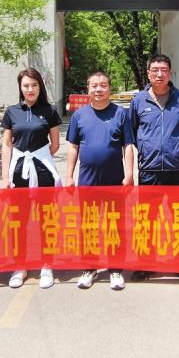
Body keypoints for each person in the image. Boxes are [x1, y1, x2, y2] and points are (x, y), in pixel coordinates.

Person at [128, 53, 179, 286]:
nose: (159, 74)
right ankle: (145, 265)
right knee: (146, 221)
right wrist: (147, 149)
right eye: (155, 70)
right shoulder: (138, 101)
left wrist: (174, 148)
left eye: (163, 70)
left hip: (177, 170)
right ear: (148, 73)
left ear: (170, 73)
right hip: (149, 171)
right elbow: (134, 132)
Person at [65, 71, 135, 291]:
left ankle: (115, 269)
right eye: (94, 85)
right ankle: (90, 267)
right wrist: (69, 175)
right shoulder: (79, 116)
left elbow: (128, 145)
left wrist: (129, 173)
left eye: (103, 85)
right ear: (88, 89)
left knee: (115, 225)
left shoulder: (120, 113)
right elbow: (73, 146)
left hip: (115, 179)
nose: (98, 89)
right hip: (88, 180)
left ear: (109, 88)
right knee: (89, 225)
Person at [0, 68, 62, 289]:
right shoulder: (11, 112)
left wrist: (39, 158)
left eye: (34, 85)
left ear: (40, 87)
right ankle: (20, 266)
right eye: (26, 85)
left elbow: (55, 144)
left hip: (43, 172)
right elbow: (7, 145)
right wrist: (5, 176)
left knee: (47, 220)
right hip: (19, 173)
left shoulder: (50, 111)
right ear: (20, 87)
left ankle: (47, 264)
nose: (30, 89)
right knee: (19, 221)